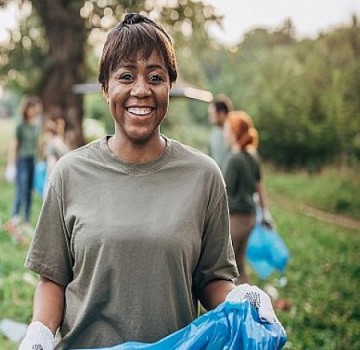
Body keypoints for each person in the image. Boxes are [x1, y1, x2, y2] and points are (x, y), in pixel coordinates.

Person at [18, 13, 279, 350]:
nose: (141, 90)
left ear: (169, 85)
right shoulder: (69, 174)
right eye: (125, 76)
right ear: (105, 88)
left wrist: (238, 302)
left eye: (155, 76)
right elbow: (52, 278)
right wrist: (39, 331)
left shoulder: (204, 176)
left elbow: (212, 278)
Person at [222, 111, 272, 285]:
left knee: (227, 268)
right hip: (250, 217)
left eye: (227, 129)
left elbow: (222, 192)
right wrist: (265, 213)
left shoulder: (234, 159)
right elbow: (260, 188)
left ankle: (234, 306)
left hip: (235, 219)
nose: (224, 133)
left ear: (235, 132)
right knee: (239, 264)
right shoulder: (253, 156)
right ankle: (248, 302)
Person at [5, 96, 42, 236]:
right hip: (22, 160)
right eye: (32, 108)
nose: (34, 111)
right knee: (21, 190)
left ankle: (26, 221)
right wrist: (11, 165)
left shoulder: (36, 123)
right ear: (26, 108)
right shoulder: (20, 124)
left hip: (32, 160)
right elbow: (14, 144)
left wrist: (41, 157)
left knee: (29, 192)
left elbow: (37, 142)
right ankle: (14, 219)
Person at [41, 118, 69, 199]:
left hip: (54, 176)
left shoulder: (51, 146)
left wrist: (49, 181)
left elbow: (51, 163)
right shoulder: (60, 142)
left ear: (48, 133)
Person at [207, 94, 233, 171]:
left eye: (212, 114)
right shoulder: (214, 134)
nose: (210, 118)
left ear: (222, 113)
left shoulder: (235, 133)